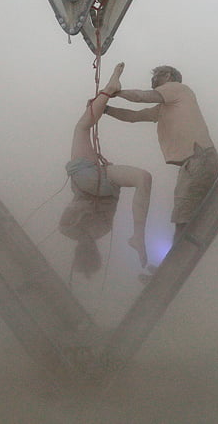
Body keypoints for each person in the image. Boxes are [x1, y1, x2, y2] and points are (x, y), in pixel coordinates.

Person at [104, 65, 218, 242]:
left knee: (183, 215)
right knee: (187, 214)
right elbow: (134, 116)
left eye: (156, 76)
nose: (153, 81)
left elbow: (142, 97)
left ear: (168, 75)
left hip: (199, 158)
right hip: (196, 161)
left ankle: (176, 262)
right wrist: (106, 110)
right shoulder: (167, 105)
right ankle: (177, 257)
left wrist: (115, 92)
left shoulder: (178, 88)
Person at [59, 62, 152, 277]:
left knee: (143, 178)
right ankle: (109, 89)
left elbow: (101, 207)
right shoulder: (66, 229)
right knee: (82, 128)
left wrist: (105, 174)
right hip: (87, 180)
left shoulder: (103, 231)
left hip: (106, 187)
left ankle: (138, 234)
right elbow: (78, 205)